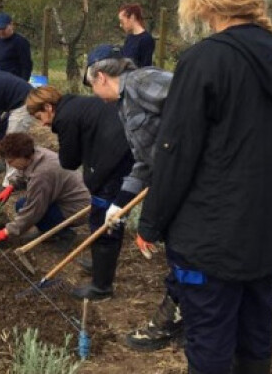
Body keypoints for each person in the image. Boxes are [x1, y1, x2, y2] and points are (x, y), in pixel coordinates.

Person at [136, 0, 272, 374]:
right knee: (255, 328)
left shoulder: (205, 61)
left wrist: (151, 223)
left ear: (204, 0)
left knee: (210, 336)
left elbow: (175, 152)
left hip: (212, 235)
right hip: (268, 228)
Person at [83, 43, 182, 349]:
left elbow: (191, 101)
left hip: (192, 178)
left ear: (100, 77)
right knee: (179, 249)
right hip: (171, 179)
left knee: (186, 251)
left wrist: (182, 150)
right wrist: (120, 203)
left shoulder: (141, 81)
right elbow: (143, 161)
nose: (94, 94)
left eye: (90, 86)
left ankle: (177, 318)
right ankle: (182, 315)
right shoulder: (124, 106)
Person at [26, 85, 134, 301]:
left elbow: (68, 161)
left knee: (105, 223)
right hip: (118, 159)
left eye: (40, 117)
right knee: (105, 219)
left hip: (113, 168)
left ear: (48, 107)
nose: (43, 123)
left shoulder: (65, 117)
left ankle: (102, 287)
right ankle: (100, 266)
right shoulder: (77, 104)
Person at [0, 133, 89, 251]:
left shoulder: (41, 174)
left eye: (11, 161)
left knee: (30, 210)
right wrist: (11, 187)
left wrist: (7, 231)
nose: (10, 165)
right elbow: (25, 172)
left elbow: (33, 211)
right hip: (64, 198)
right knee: (21, 204)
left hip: (80, 209)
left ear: (22, 156)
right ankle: (51, 228)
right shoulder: (35, 154)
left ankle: (65, 236)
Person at [0, 12, 33, 81]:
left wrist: (23, 84)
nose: (1, 32)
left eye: (3, 29)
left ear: (11, 25)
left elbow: (26, 66)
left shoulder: (20, 42)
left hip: (13, 82)